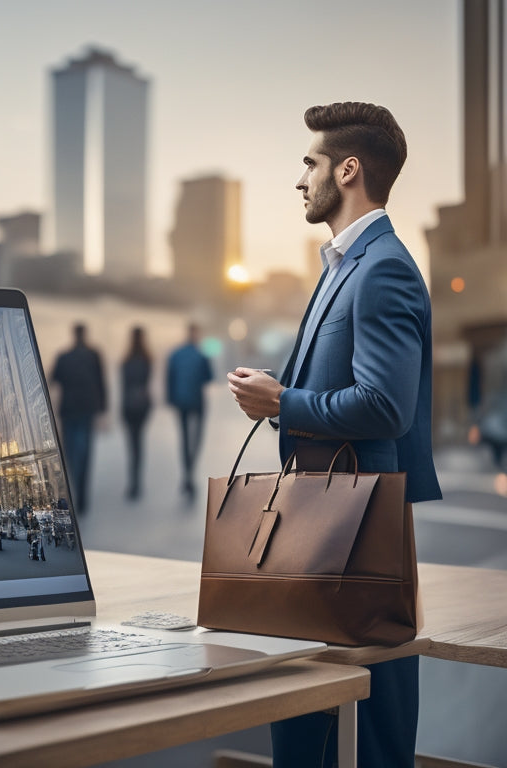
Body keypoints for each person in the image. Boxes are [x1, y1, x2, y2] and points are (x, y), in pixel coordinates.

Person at [227, 102, 442, 768]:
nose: (301, 180)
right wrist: (277, 396)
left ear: (348, 170)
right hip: (321, 523)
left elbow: (385, 407)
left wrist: (281, 400)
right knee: (306, 720)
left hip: (356, 534)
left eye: (310, 164)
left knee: (359, 728)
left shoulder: (383, 268)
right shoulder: (344, 265)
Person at [51, 323, 107, 513]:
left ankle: (74, 492)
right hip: (86, 410)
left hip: (68, 411)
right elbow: (101, 383)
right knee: (85, 454)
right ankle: (82, 496)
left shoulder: (64, 356)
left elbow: (53, 378)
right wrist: (103, 409)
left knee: (70, 454)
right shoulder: (94, 356)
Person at [166, 322, 213, 500]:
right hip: (197, 402)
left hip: (181, 402)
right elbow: (209, 377)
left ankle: (187, 473)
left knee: (184, 438)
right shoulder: (201, 354)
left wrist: (170, 399)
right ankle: (190, 471)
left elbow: (169, 378)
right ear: (197, 334)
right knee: (197, 439)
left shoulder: (175, 354)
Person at [120, 326, 152, 500]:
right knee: (139, 444)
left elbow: (124, 386)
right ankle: (137, 482)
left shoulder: (126, 360)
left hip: (129, 407)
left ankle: (133, 482)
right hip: (142, 406)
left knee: (132, 445)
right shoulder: (147, 359)